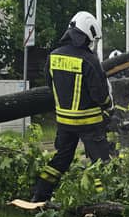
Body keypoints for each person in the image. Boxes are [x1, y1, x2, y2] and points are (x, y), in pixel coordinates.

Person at [30, 11, 114, 202]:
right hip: (89, 123)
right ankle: (105, 201)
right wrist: (109, 106)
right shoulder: (89, 60)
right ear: (88, 33)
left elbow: (50, 85)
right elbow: (100, 95)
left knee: (61, 159)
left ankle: (39, 195)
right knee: (101, 164)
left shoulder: (53, 57)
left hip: (64, 123)